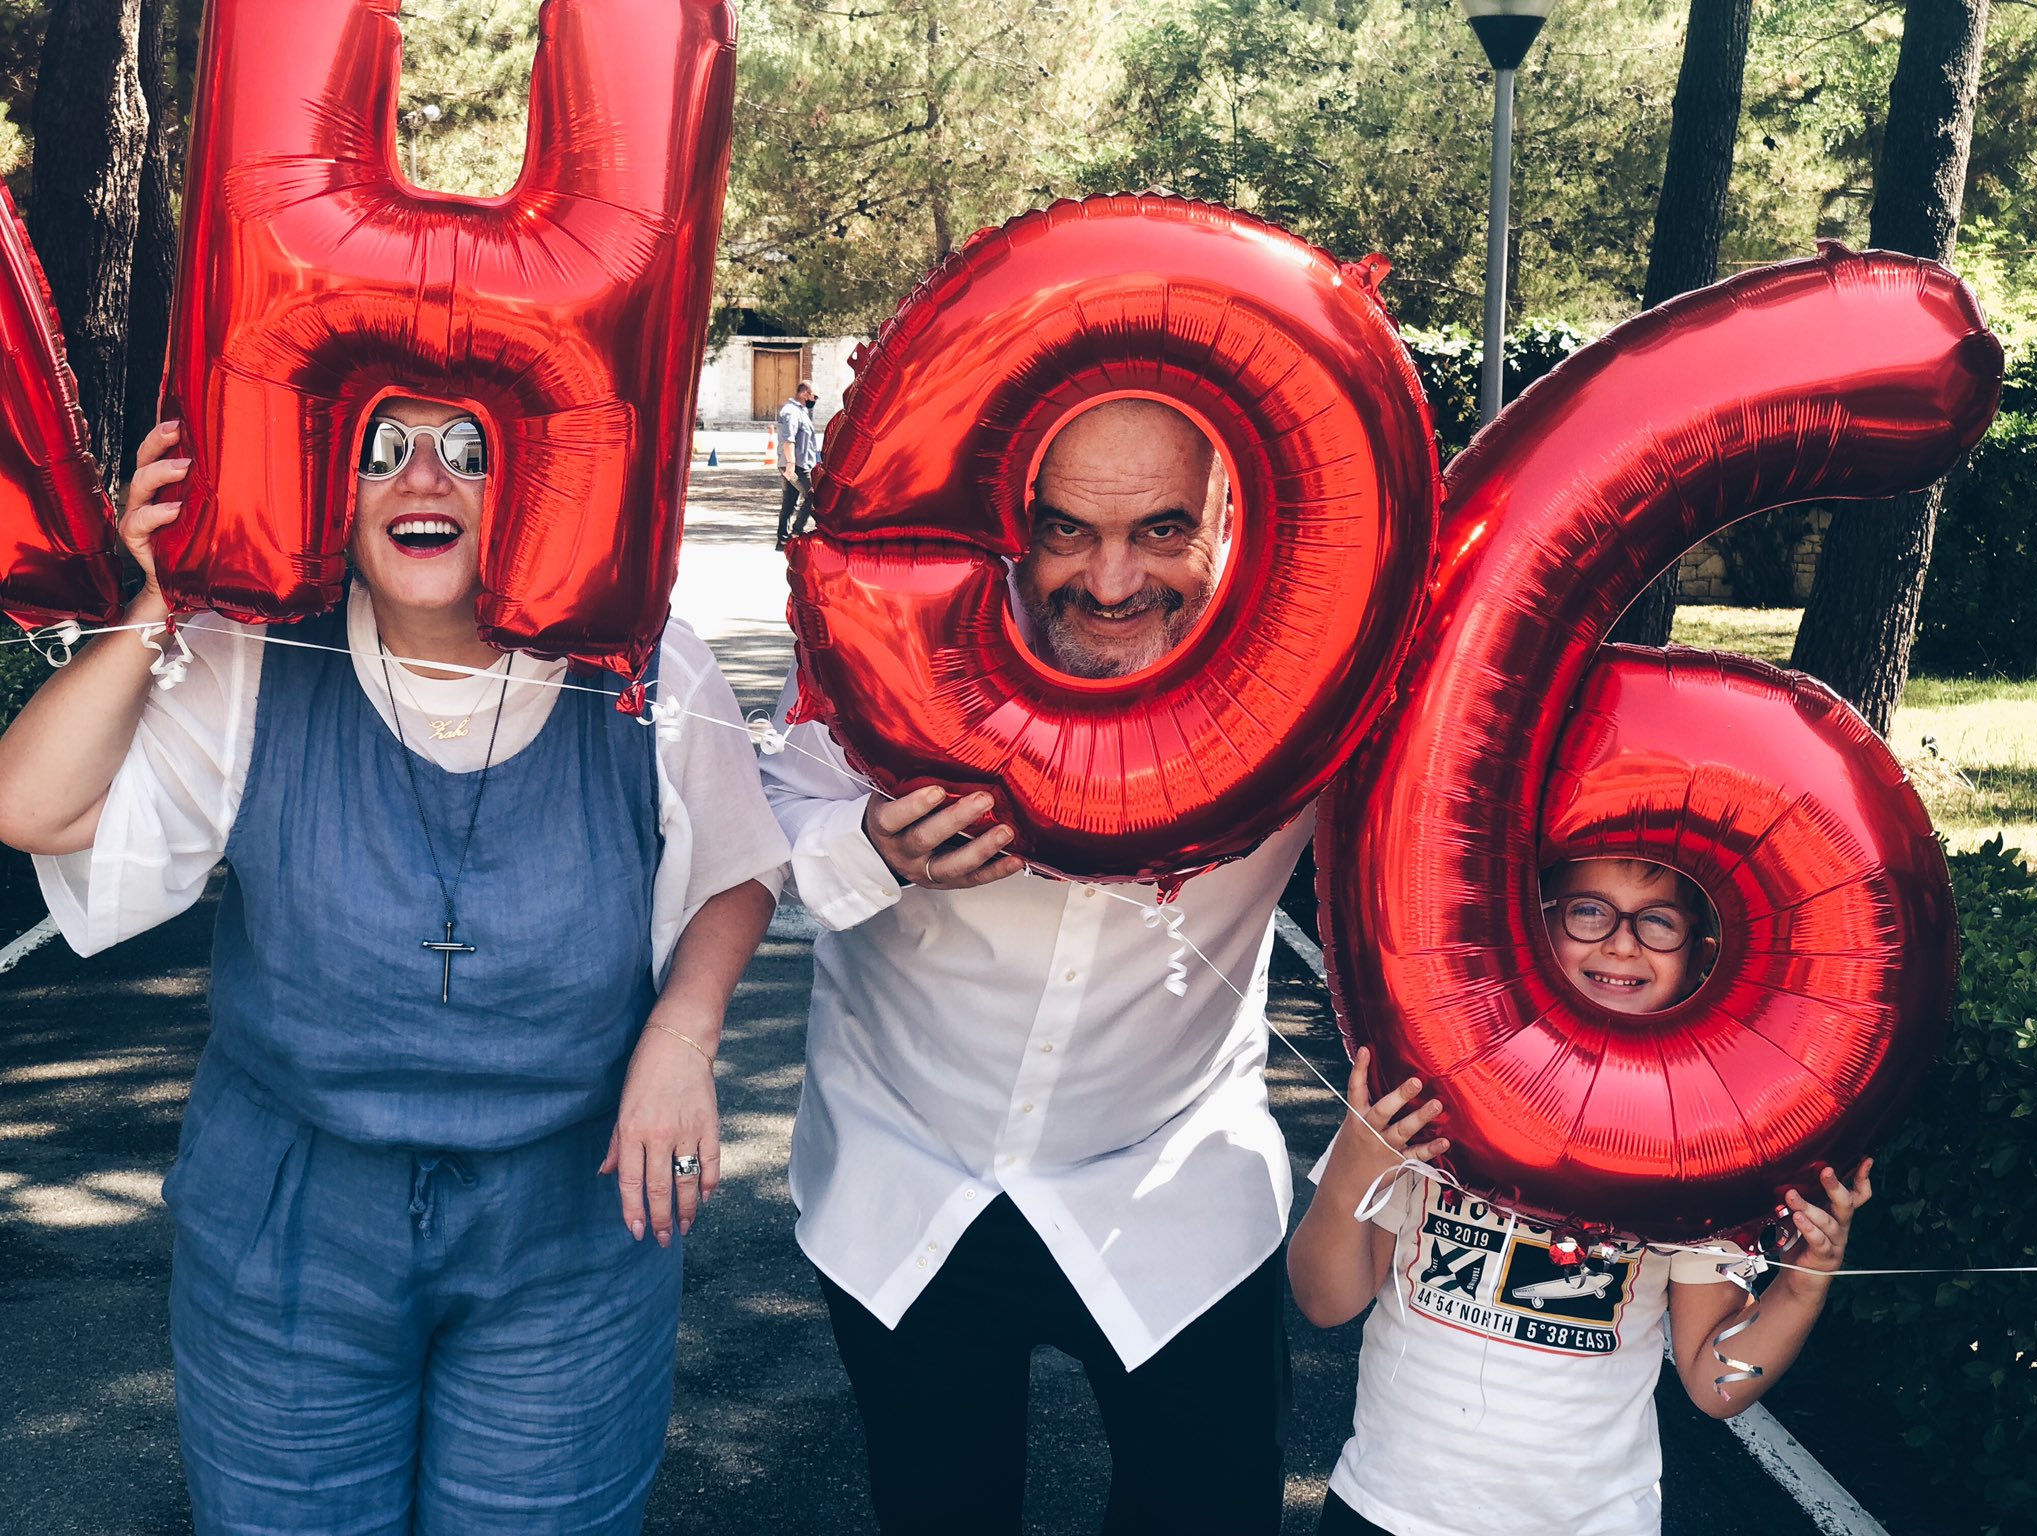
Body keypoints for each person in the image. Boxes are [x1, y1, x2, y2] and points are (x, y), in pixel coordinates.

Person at [0, 400, 790, 1533]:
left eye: (467, 450)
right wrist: (166, 597)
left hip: (568, 1215)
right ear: (333, 481)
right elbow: (30, 804)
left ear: (526, 478)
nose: (424, 478)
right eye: (382, 448)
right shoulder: (247, 648)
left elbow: (734, 863)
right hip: (289, 1221)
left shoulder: (643, 654)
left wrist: (683, 1035)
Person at [762, 397, 1301, 1534]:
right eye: (1066, 531)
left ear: (1228, 516)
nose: (1109, 584)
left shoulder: (1314, 667)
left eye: (1161, 531)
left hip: (1173, 1186)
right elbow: (772, 818)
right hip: (905, 1174)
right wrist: (871, 850)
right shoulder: (903, 631)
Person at [1288, 856, 1874, 1536]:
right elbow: (1324, 1303)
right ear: (1537, 926)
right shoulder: (1435, 1093)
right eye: (1588, 911)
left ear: (1699, 954)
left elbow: (1715, 1384)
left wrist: (1801, 1290)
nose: (1620, 943)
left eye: (1657, 922)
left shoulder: (1700, 1144)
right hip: (1386, 1508)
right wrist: (1350, 1170)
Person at [774, 378, 820, 548]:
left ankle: (783, 539)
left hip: (799, 464)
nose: (814, 401)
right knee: (812, 496)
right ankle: (795, 533)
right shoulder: (791, 412)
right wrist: (791, 464)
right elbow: (788, 439)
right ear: (804, 394)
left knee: (790, 501)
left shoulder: (800, 411)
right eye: (814, 396)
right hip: (796, 465)